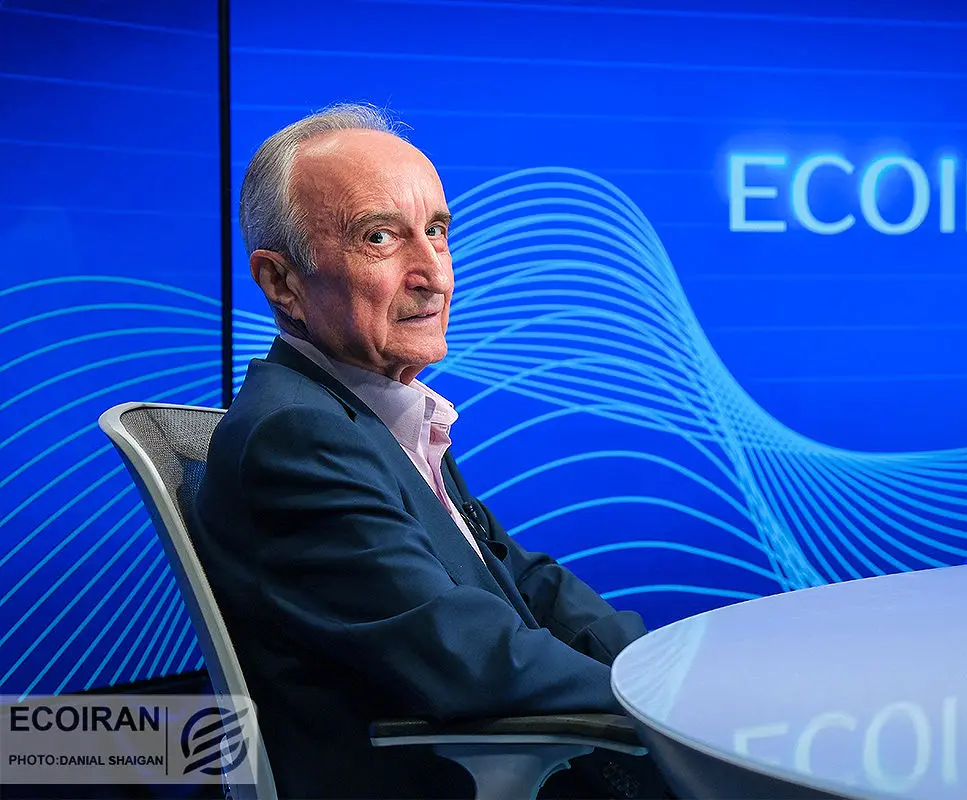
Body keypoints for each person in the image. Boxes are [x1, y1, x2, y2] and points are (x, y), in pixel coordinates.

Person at [190, 104, 667, 799]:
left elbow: (522, 580)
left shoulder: (370, 408)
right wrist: (670, 707)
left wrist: (668, 666)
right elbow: (472, 660)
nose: (434, 274)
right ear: (281, 282)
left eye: (437, 231)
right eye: (380, 237)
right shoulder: (295, 437)